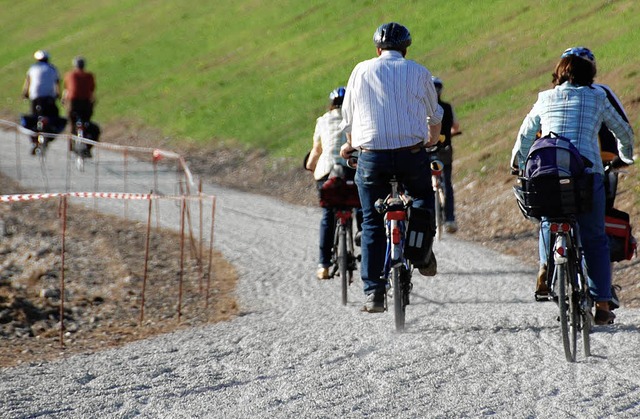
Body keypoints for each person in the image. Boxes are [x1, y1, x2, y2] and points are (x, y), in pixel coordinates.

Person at [511, 48, 634, 325]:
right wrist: (626, 156)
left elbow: (526, 134)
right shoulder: (597, 96)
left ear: (559, 74)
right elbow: (623, 131)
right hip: (586, 176)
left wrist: (517, 163)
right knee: (595, 238)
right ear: (590, 76)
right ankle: (602, 303)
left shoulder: (545, 98)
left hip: (547, 174)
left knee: (548, 217)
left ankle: (545, 266)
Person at [339, 22, 443, 313]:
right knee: (422, 198)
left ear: (377, 49)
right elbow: (435, 116)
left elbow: (348, 118)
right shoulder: (420, 72)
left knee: (371, 219)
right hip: (411, 154)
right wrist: (430, 142)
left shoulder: (360, 70)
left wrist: (351, 144)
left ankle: (373, 292)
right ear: (406, 48)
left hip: (372, 157)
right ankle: (421, 254)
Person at [306, 86, 362, 280]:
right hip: (351, 168)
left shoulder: (323, 120)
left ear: (332, 104)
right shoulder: (357, 117)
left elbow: (317, 151)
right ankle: (363, 235)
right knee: (361, 204)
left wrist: (310, 166)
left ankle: (323, 265)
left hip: (327, 172)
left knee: (328, 215)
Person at [431, 76, 461, 233]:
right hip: (445, 151)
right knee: (447, 183)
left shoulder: (423, 108)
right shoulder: (448, 108)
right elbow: (456, 127)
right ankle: (450, 219)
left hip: (428, 152)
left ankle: (428, 217)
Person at [22, 50, 60, 118]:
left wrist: (25, 93)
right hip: (49, 96)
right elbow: (57, 82)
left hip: (35, 95)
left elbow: (27, 82)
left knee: (33, 114)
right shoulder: (52, 69)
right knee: (53, 113)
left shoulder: (32, 68)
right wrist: (57, 94)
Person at [62, 56, 96, 128]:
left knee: (71, 119)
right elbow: (92, 90)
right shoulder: (89, 75)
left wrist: (64, 100)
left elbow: (66, 89)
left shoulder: (69, 75)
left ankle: (72, 132)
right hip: (86, 101)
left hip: (73, 101)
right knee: (87, 118)